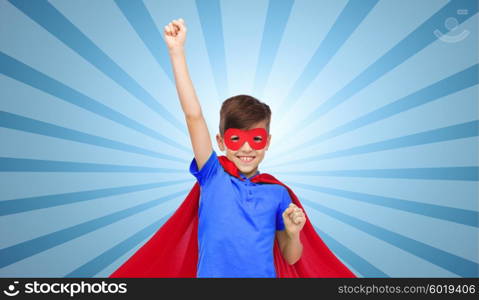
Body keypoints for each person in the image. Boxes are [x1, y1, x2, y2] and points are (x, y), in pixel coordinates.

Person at [109, 19, 356, 278]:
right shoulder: (213, 175)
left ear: (268, 142)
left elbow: (290, 256)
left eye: (256, 138)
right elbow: (193, 115)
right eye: (237, 138)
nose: (247, 148)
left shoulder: (278, 193)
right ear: (221, 141)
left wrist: (293, 234)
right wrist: (176, 52)